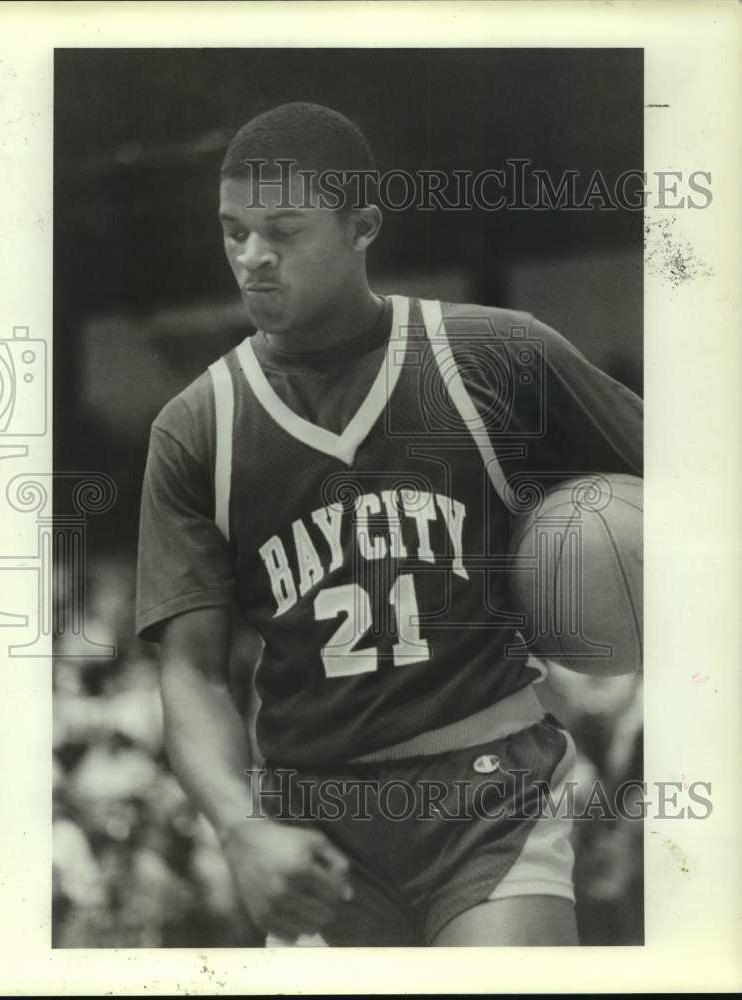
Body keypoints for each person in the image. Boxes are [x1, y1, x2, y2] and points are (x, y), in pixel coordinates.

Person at [135, 102, 643, 947]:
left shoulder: (497, 355)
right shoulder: (196, 427)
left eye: (282, 232)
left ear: (362, 223)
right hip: (314, 822)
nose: (251, 258)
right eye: (233, 232)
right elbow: (192, 675)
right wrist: (238, 826)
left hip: (491, 794)